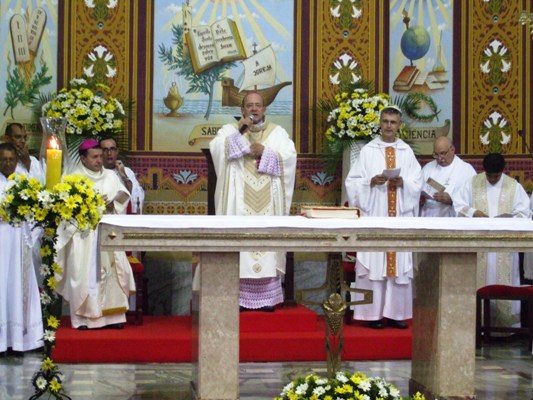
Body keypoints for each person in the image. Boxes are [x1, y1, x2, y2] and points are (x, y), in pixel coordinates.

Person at [209, 92, 297, 311]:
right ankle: (239, 299)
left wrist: (265, 151)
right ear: (242, 110)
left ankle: (267, 300)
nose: (254, 109)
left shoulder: (278, 133)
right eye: (249, 106)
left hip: (267, 203)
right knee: (241, 249)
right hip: (239, 204)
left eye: (258, 105)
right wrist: (241, 129)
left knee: (266, 248)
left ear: (265, 109)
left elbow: (289, 157)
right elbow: (218, 148)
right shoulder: (230, 131)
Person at [345, 105, 422, 329]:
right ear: (379, 123)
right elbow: (353, 181)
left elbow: (417, 182)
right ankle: (373, 315)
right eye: (386, 121)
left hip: (398, 216)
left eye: (393, 122)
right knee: (374, 262)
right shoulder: (369, 151)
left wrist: (404, 183)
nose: (389, 126)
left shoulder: (406, 152)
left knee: (397, 264)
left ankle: (395, 314)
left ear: (399, 125)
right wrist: (371, 181)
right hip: (375, 215)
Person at [54, 138, 136, 329]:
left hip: (107, 232)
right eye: (94, 157)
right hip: (83, 235)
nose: (99, 160)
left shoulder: (110, 176)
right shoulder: (72, 178)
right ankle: (83, 318)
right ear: (83, 159)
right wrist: (88, 205)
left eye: (100, 156)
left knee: (112, 273)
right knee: (84, 274)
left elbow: (123, 195)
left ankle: (113, 317)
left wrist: (111, 204)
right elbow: (65, 208)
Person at [454, 153, 530, 328]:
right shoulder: (473, 183)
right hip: (480, 246)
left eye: (496, 176)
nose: (493, 179)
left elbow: (524, 212)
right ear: (484, 171)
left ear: (502, 171)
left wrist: (509, 217)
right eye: (489, 176)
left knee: (504, 283)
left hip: (504, 248)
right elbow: (458, 204)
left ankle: (505, 327)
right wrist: (474, 213)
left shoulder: (513, 186)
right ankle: (479, 326)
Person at [0, 143, 44, 353]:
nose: (7, 163)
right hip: (1, 243)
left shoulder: (24, 183)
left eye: (11, 160)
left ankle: (23, 339)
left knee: (19, 284)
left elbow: (35, 213)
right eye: (3, 160)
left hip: (19, 243)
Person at [419, 136, 476, 217]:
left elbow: (473, 199)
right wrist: (419, 199)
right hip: (429, 219)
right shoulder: (428, 168)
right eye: (436, 154)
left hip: (453, 221)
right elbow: (418, 189)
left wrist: (451, 201)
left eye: (443, 153)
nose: (439, 158)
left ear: (452, 149)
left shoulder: (466, 170)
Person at [100, 137, 144, 214]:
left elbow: (136, 195)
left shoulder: (127, 171)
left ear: (117, 151)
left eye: (112, 149)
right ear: (100, 152)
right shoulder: (97, 172)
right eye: (105, 150)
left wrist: (123, 175)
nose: (109, 153)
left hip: (123, 216)